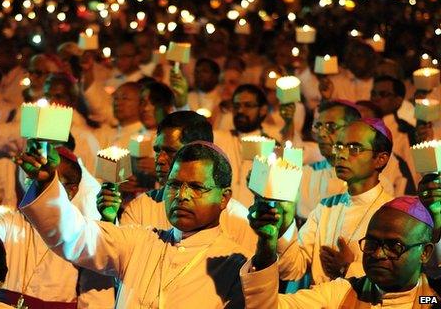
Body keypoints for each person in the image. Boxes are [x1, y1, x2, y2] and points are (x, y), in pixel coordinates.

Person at [16, 140, 251, 308]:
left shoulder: (237, 264)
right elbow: (74, 235)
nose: (181, 195)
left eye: (197, 187)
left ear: (224, 197)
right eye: (174, 184)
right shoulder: (141, 241)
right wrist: (46, 185)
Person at [249, 118, 395, 285]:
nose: (341, 154)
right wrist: (285, 222)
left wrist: (348, 268)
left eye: (354, 148)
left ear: (381, 159)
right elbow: (291, 269)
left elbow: (398, 276)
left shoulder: (392, 213)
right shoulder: (326, 207)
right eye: (339, 147)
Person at [100, 110, 257, 252]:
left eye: (171, 152)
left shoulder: (236, 219)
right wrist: (107, 221)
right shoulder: (140, 207)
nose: (160, 159)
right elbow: (121, 259)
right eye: (157, 151)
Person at [242, 196, 439, 308]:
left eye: (394, 246)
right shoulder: (342, 292)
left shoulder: (432, 299)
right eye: (371, 243)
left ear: (425, 253)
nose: (378, 254)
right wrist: (267, 244)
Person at [0, 146, 114, 308]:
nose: (40, 188)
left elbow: (96, 300)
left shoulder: (82, 235)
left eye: (51, 184)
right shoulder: (8, 222)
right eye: (35, 181)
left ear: (72, 191)